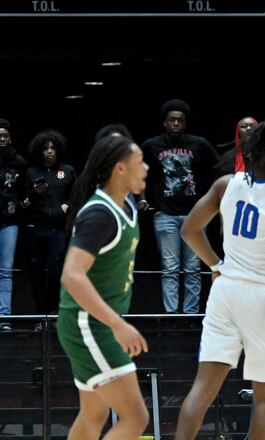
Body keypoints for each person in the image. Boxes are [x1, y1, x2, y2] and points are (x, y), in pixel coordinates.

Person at [175, 119, 265, 440]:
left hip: (224, 292)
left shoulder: (225, 185)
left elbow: (189, 229)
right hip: (263, 297)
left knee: (202, 390)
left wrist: (216, 264)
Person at [57, 135, 149, 440]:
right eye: (140, 163)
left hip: (93, 325)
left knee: (93, 414)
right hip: (90, 327)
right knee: (135, 418)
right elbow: (72, 276)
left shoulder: (127, 204)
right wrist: (117, 324)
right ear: (120, 168)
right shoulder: (99, 214)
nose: (146, 168)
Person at [139, 99, 220, 314]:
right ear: (165, 123)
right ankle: (171, 314)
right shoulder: (151, 145)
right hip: (165, 214)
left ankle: (191, 313)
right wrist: (142, 197)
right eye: (172, 120)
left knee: (193, 268)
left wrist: (211, 199)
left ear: (185, 123)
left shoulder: (199, 144)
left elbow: (217, 168)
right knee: (170, 268)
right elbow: (138, 173)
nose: (176, 124)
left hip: (194, 216)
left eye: (180, 121)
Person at [22, 129, 76, 319]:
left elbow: (76, 196)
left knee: (56, 272)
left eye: (53, 148)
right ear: (39, 151)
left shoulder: (67, 170)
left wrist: (67, 205)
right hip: (35, 229)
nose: (50, 152)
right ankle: (40, 316)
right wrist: (34, 193)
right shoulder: (31, 172)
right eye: (46, 149)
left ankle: (51, 311)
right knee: (36, 274)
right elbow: (23, 204)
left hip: (58, 230)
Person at [0, 119, 25, 331]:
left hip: (9, 221)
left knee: (6, 270)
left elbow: (23, 191)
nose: (1, 139)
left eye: (4, 135)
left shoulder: (18, 162)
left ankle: (4, 316)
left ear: (10, 138)